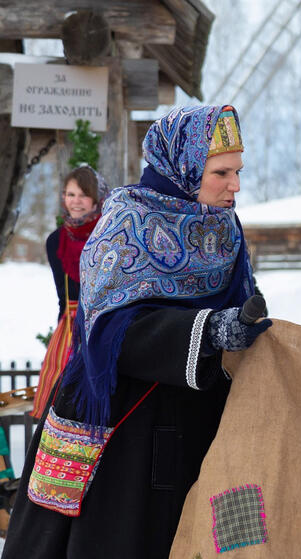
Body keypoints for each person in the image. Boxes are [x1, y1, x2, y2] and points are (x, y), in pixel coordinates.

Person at [3, 105, 272, 559]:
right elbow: (110, 332)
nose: (235, 186)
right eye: (222, 172)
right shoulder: (128, 223)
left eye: (238, 171)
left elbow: (239, 303)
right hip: (124, 422)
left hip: (207, 415)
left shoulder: (224, 227)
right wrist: (208, 331)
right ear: (183, 167)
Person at [32, 167, 110, 419]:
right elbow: (61, 298)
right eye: (69, 194)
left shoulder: (110, 235)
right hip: (71, 327)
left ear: (97, 199)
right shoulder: (56, 240)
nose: (75, 202)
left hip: (105, 323)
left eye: (82, 195)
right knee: (60, 404)